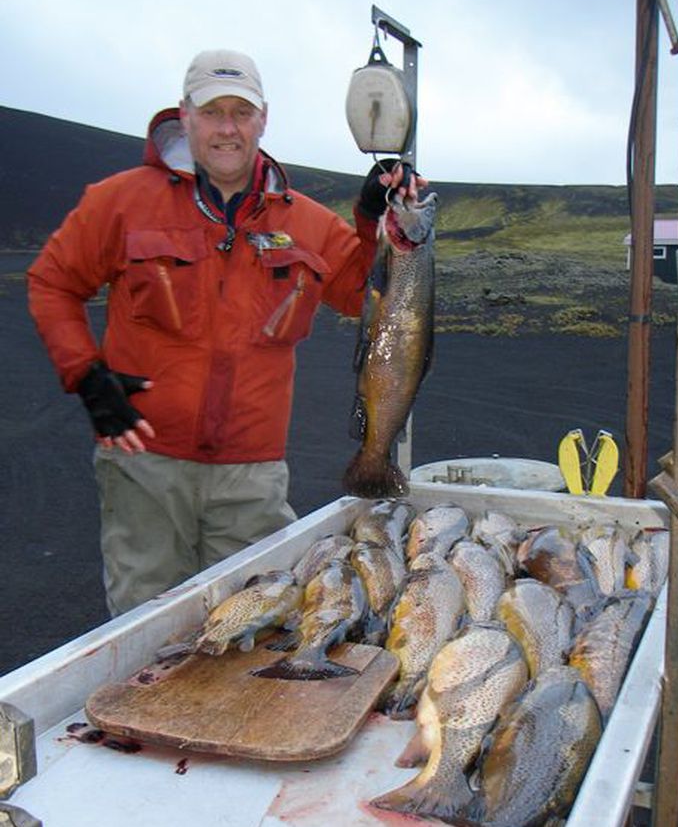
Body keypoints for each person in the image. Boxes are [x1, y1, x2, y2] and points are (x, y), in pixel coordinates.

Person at [27, 48, 422, 617]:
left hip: (251, 472)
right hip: (144, 463)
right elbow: (51, 282)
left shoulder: (303, 221)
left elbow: (365, 293)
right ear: (185, 115)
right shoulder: (120, 202)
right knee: (146, 628)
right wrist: (86, 375)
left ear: (264, 119)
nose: (228, 129)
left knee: (255, 620)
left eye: (243, 112)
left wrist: (370, 217)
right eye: (214, 112)